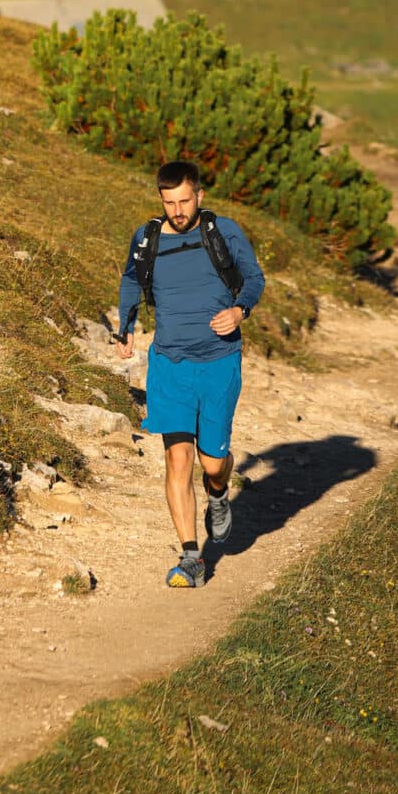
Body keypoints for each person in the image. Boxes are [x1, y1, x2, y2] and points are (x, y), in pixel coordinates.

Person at [115, 159, 265, 588]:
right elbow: (131, 279)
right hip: (169, 364)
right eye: (169, 202)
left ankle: (218, 493)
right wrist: (124, 326)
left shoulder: (223, 232)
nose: (177, 210)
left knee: (212, 462)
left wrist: (239, 311)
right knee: (176, 458)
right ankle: (191, 558)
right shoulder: (147, 238)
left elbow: (254, 278)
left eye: (184, 200)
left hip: (218, 361)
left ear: (199, 195)